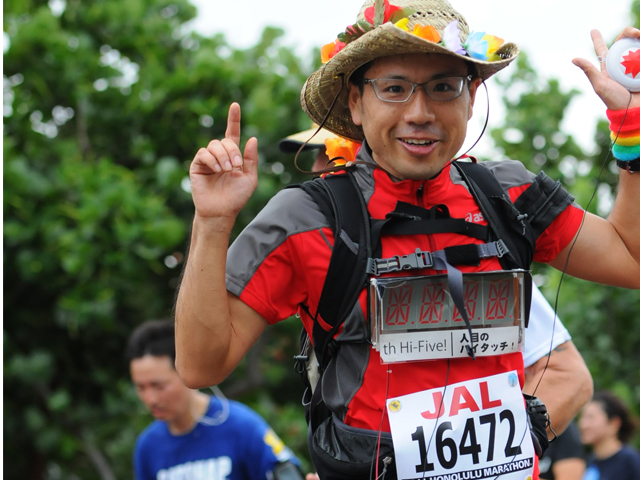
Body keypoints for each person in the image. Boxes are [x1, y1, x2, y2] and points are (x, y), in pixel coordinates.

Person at [175, 0, 640, 478]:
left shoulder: (509, 195)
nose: (420, 113)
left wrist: (632, 127)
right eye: (394, 89)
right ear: (355, 102)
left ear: (471, 97)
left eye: (443, 87)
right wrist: (211, 222)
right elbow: (199, 367)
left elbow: (631, 260)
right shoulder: (308, 217)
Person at [279, 127, 594, 438]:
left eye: (331, 156)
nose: (319, 171)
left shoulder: (474, 260)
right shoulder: (326, 254)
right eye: (317, 158)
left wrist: (512, 449)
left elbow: (569, 376)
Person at [127, 320, 301, 480]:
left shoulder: (240, 426)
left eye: (159, 386)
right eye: (141, 388)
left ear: (186, 372)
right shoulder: (148, 446)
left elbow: (288, 474)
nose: (150, 399)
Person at [579, 391, 640, 480]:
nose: (583, 425)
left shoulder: (630, 461)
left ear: (613, 424)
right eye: (582, 417)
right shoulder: (589, 462)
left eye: (590, 417)